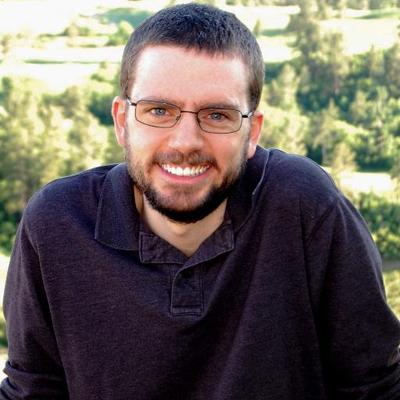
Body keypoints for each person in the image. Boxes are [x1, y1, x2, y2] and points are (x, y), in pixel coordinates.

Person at [1, 3, 399, 399]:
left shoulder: (304, 208)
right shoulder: (56, 226)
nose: (185, 142)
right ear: (122, 122)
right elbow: (32, 391)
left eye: (217, 115)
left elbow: (375, 388)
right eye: (159, 110)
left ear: (252, 132)